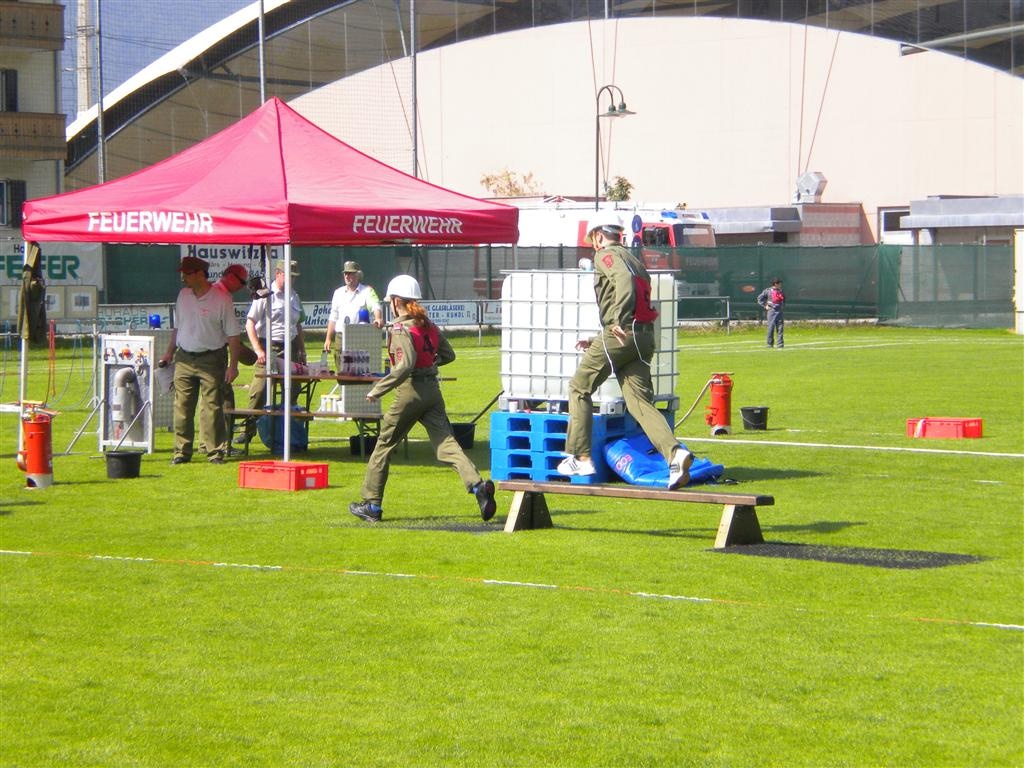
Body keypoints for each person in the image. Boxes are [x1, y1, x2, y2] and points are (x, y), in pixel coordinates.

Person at [557, 220, 693, 490]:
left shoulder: (605, 255)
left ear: (598, 236)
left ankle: (580, 456)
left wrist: (617, 320)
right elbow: (636, 293)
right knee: (640, 403)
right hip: (643, 337)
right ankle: (675, 453)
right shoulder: (635, 260)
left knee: (578, 388)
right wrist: (597, 339)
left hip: (621, 333)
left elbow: (623, 281)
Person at [349, 274, 496, 524]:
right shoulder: (428, 325)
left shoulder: (400, 329)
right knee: (447, 444)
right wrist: (430, 364)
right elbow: (448, 354)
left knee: (384, 445)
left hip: (410, 391)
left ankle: (372, 505)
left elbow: (404, 366)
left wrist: (377, 390)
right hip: (432, 391)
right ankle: (478, 486)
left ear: (396, 301)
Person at [159, 255, 242, 465]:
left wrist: (233, 366)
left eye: (186, 274)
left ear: (199, 274)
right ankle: (181, 452)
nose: (183, 278)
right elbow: (177, 327)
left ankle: (215, 452)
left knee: (213, 406)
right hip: (184, 358)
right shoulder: (183, 295)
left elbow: (233, 335)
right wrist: (169, 352)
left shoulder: (222, 299)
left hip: (212, 358)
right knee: (182, 406)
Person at [241, 259, 307, 445]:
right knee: (259, 390)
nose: (292, 280)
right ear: (278, 274)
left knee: (293, 389)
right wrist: (258, 350)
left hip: (291, 346)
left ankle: (287, 431)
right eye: (289, 276)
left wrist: (302, 350)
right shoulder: (265, 295)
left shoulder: (294, 296)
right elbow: (250, 323)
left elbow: (298, 325)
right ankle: (248, 430)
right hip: (269, 347)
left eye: (295, 277)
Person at [323, 260, 383, 371]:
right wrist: (328, 339)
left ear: (357, 275)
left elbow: (376, 306)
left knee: (360, 372)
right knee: (342, 372)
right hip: (340, 337)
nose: (347, 276)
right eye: (345, 273)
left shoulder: (367, 291)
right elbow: (333, 317)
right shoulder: (338, 293)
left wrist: (378, 318)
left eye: (350, 273)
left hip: (359, 337)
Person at [756, 277, 785, 348]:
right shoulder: (768, 291)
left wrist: (782, 306)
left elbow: (783, 300)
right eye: (779, 283)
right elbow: (759, 298)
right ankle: (769, 344)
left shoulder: (781, 291)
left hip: (779, 311)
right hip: (771, 311)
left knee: (780, 327)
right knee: (771, 327)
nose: (780, 285)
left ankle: (780, 344)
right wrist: (765, 305)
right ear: (775, 284)